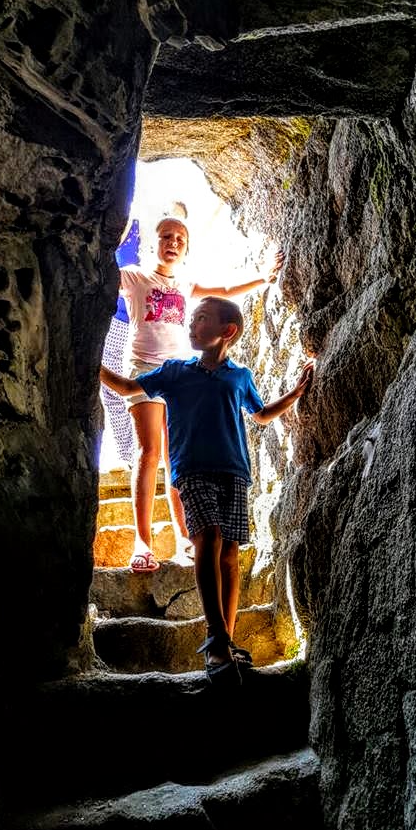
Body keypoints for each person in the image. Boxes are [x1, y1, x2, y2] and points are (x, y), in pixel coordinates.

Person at [100, 295, 314, 686]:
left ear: (227, 330)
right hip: (192, 471)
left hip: (234, 472)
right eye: (193, 318)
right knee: (208, 538)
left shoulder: (240, 376)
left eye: (201, 318)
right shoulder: (175, 372)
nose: (191, 323)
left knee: (229, 555)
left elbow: (261, 415)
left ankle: (226, 639)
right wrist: (94, 367)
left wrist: (295, 394)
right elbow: (129, 386)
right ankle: (215, 639)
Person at [119, 205, 282, 573]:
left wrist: (263, 277)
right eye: (166, 236)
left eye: (180, 239)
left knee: (176, 457)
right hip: (144, 369)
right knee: (149, 451)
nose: (173, 242)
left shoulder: (186, 284)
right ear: (152, 244)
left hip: (181, 377)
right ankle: (143, 541)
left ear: (187, 249)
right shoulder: (134, 278)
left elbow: (225, 290)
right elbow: (99, 276)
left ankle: (184, 535)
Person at [99, 219, 140, 468]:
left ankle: (139, 453)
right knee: (115, 391)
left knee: (147, 386)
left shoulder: (143, 227)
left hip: (136, 319)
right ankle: (132, 455)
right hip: (118, 318)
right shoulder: (127, 228)